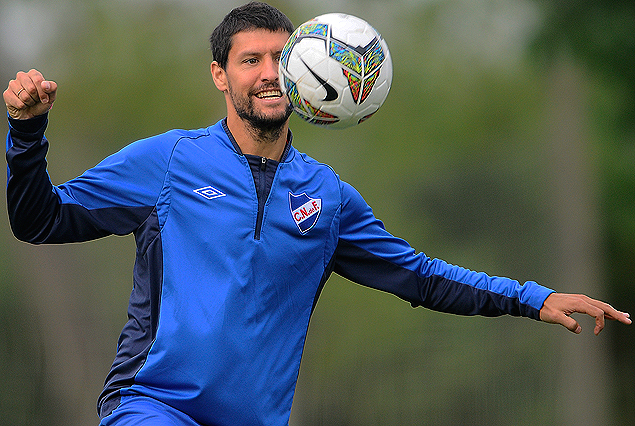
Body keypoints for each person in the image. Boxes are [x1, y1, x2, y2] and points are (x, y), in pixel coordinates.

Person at [3, 2, 631, 426]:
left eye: (282, 58)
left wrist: (532, 297)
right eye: (252, 61)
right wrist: (26, 135)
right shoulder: (170, 162)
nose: (270, 74)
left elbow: (418, 275)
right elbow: (40, 221)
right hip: (152, 406)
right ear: (220, 76)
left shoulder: (327, 199)